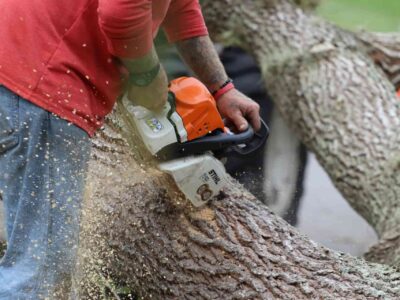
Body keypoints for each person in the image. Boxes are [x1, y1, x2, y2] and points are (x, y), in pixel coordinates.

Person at [0, 0, 261, 298]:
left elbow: (182, 8)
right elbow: (120, 13)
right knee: (38, 276)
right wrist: (147, 75)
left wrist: (222, 87)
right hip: (43, 85)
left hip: (13, 60)